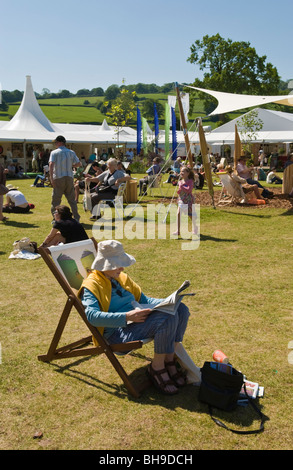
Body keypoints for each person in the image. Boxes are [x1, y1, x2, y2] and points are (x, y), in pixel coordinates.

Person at [78, 240, 190, 395]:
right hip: (117, 334)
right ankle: (156, 368)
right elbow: (92, 317)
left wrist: (169, 301)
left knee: (181, 309)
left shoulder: (121, 278)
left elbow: (144, 301)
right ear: (106, 265)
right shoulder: (91, 286)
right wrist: (126, 316)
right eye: (118, 264)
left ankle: (169, 359)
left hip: (135, 324)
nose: (122, 268)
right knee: (168, 318)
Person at [49, 135, 81, 221]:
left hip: (59, 177)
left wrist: (51, 178)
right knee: (72, 200)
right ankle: (76, 218)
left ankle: (55, 218)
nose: (55, 144)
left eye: (56, 142)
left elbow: (51, 165)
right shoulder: (71, 152)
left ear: (59, 143)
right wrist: (71, 165)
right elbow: (79, 164)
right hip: (69, 177)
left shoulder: (54, 152)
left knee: (56, 200)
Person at [173, 166, 197, 236]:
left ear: (188, 173)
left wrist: (181, 186)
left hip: (188, 200)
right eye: (181, 171)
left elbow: (188, 190)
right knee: (178, 213)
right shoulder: (180, 181)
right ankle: (178, 231)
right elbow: (180, 191)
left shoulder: (190, 181)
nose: (181, 173)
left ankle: (195, 227)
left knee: (190, 215)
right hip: (181, 199)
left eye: (183, 171)